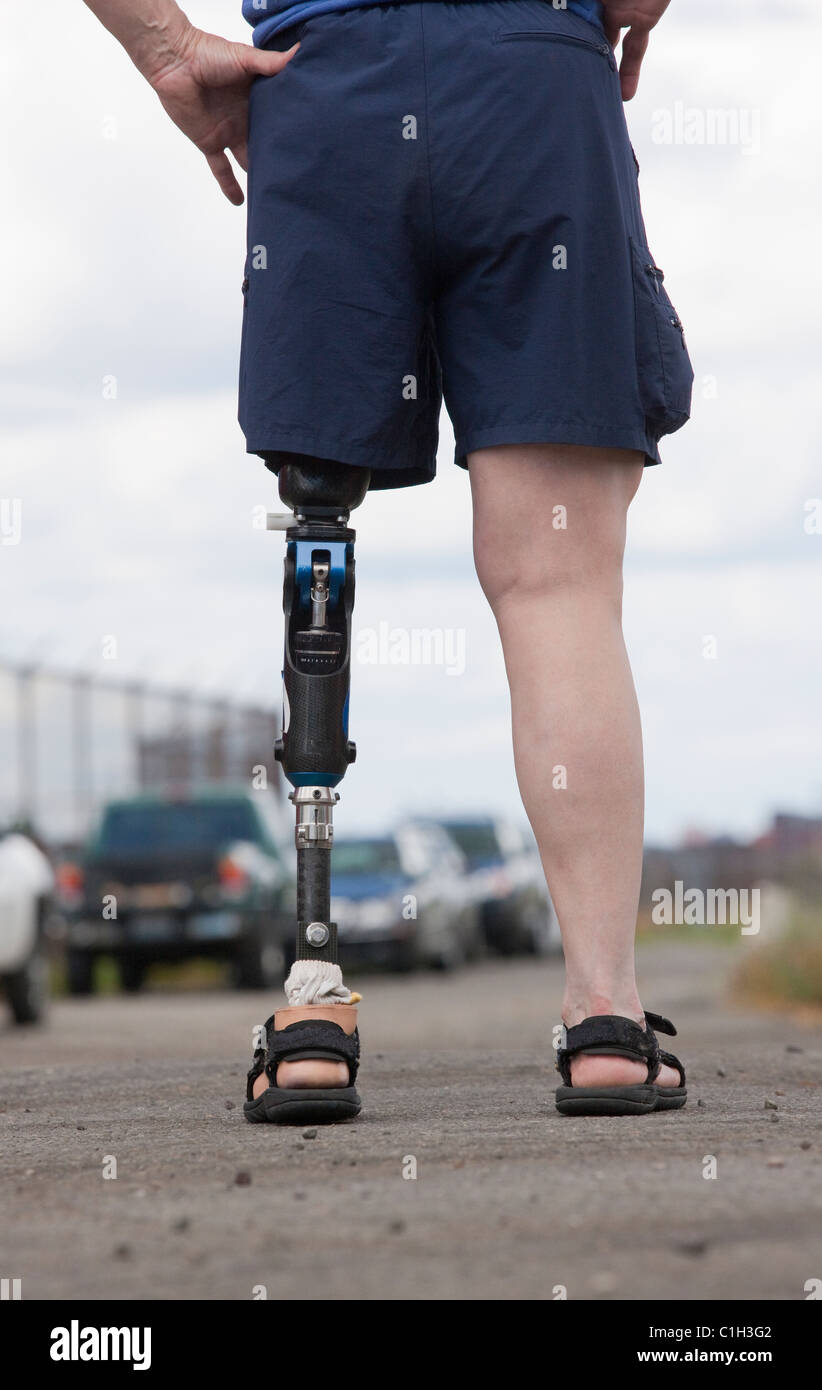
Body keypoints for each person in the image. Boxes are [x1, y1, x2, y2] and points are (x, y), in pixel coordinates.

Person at [81, 0, 692, 1116]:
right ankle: (604, 1018)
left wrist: (163, 45)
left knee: (318, 528)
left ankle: (312, 1010)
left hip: (324, 79)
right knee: (556, 582)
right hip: (532, 80)